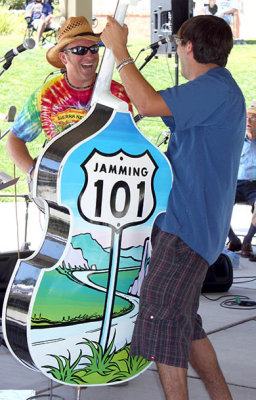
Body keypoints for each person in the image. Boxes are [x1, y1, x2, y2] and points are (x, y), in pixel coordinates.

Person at [101, 14, 246, 400]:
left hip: (187, 227)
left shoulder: (213, 89)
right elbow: (153, 108)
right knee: (184, 324)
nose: (177, 53)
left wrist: (119, 50)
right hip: (193, 224)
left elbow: (147, 103)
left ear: (188, 47)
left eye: (178, 46)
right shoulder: (216, 90)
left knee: (161, 320)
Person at [6, 16, 132, 184]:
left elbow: (129, 147)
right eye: (80, 50)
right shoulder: (47, 95)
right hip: (59, 188)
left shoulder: (117, 94)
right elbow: (14, 139)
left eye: (94, 49)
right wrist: (33, 173)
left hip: (105, 189)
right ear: (64, 58)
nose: (90, 56)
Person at [227, 99, 256, 260]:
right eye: (247, 117)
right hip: (235, 183)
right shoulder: (236, 140)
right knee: (214, 202)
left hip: (255, 186)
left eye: (254, 118)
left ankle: (247, 242)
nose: (249, 121)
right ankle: (233, 239)